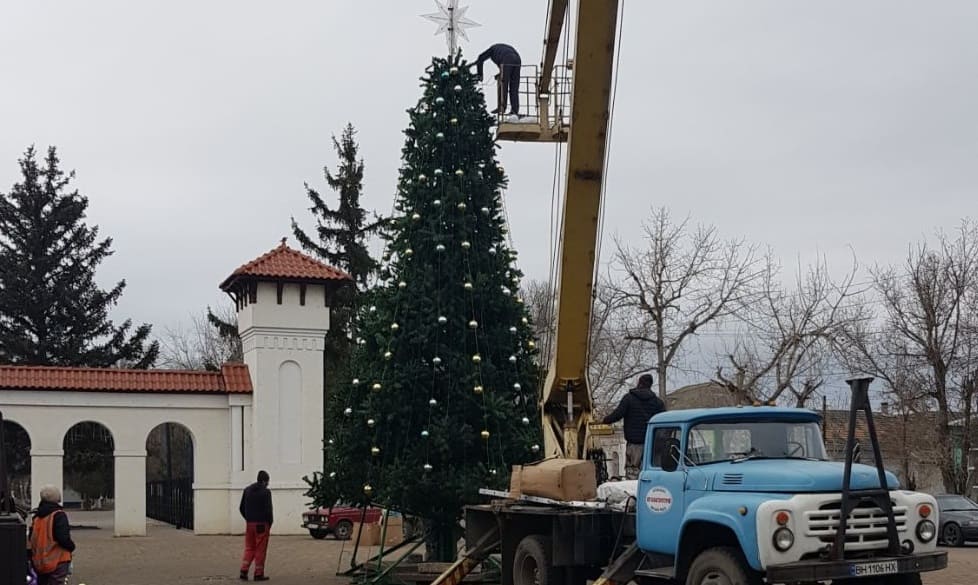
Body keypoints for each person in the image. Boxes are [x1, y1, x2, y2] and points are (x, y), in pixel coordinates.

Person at [602, 374, 666, 480]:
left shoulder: (629, 399)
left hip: (634, 444)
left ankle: (633, 495)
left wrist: (605, 420)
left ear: (639, 383)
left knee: (633, 473)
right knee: (650, 474)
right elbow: (664, 421)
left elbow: (618, 414)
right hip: (652, 444)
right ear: (650, 385)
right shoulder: (657, 402)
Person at [29, 485, 75, 585]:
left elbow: (31, 538)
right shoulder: (58, 515)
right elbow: (63, 538)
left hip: (40, 562)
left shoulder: (37, 517)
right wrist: (72, 547)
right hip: (58, 560)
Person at [471, 43, 522, 119]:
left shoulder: (492, 50)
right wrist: (500, 73)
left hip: (507, 58)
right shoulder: (499, 49)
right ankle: (514, 110)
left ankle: (501, 107)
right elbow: (503, 68)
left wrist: (480, 75)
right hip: (517, 59)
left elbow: (480, 58)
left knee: (503, 84)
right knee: (514, 87)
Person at [239, 470, 273, 581]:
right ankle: (258, 573)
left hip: (250, 523)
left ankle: (243, 570)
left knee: (249, 547)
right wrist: (269, 523)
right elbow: (268, 510)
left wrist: (248, 518)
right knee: (260, 549)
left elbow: (241, 508)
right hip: (262, 524)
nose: (268, 484)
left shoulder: (247, 490)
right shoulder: (266, 492)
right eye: (267, 482)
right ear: (264, 481)